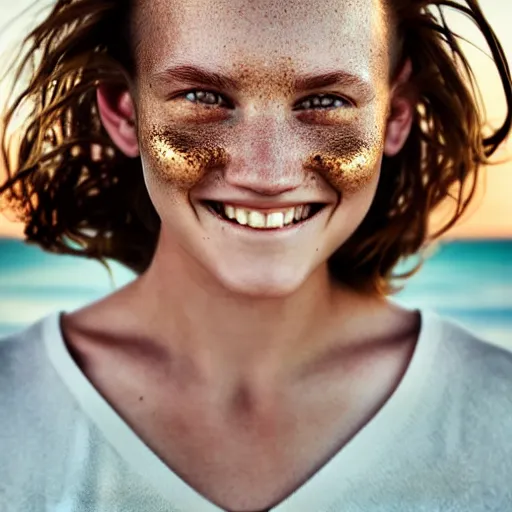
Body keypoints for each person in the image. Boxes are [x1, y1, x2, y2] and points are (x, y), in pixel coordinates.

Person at [0, 0, 511, 510]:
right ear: (125, 113)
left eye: (326, 101)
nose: (267, 175)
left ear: (394, 116)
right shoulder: (12, 410)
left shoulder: (499, 416)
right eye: (203, 96)